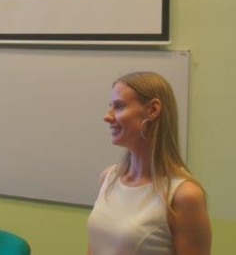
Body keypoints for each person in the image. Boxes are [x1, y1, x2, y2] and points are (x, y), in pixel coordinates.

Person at [87, 71, 211, 254]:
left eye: (119, 107)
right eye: (110, 106)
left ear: (153, 110)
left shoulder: (184, 196)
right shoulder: (108, 178)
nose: (108, 116)